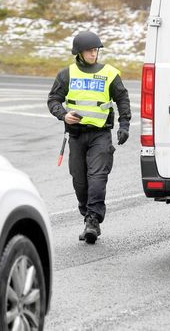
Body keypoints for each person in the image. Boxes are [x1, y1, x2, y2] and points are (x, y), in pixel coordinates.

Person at [47, 31, 131, 244]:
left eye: (96, 50)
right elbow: (53, 100)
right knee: (80, 182)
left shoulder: (110, 74)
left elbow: (122, 99)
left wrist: (124, 125)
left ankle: (93, 221)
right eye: (89, 50)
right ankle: (87, 214)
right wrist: (63, 115)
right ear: (79, 53)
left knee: (97, 178)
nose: (94, 54)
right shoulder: (67, 74)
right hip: (76, 136)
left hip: (100, 135)